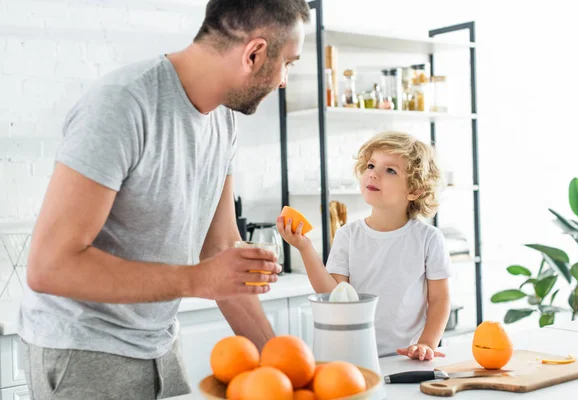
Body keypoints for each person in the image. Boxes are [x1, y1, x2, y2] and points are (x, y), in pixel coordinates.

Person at [18, 0, 310, 398]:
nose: (283, 81)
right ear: (254, 53)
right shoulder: (123, 104)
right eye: (288, 64)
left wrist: (287, 371)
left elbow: (219, 250)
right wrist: (198, 280)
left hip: (160, 344)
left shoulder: (222, 120)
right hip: (83, 350)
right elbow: (50, 267)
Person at [278, 132, 452, 360]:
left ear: (414, 190)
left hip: (405, 358)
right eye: (371, 165)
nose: (373, 174)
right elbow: (334, 296)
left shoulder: (429, 238)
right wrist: (304, 247)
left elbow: (440, 299)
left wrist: (426, 343)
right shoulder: (348, 235)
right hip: (352, 355)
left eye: (390, 170)